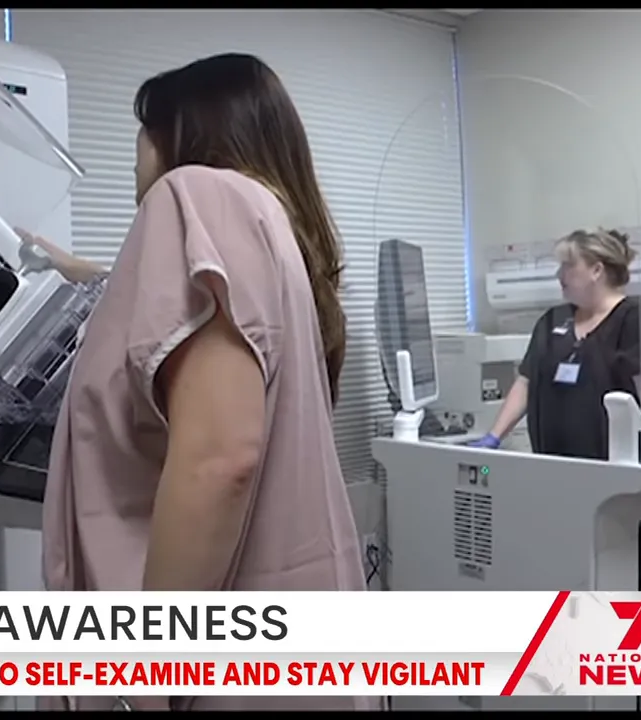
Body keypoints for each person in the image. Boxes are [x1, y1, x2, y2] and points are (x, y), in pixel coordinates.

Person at [25, 53, 377, 712]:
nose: (133, 158)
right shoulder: (276, 234)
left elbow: (221, 460)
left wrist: (145, 674)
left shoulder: (197, 194)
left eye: (141, 133)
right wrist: (73, 270)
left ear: (179, 133)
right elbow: (187, 315)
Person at [469, 227, 641, 589]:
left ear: (597, 270)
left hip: (620, 486)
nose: (559, 275)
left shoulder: (634, 321)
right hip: (564, 478)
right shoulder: (553, 321)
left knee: (614, 581)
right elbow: (526, 383)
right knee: (567, 579)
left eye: (568, 266)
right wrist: (493, 437)